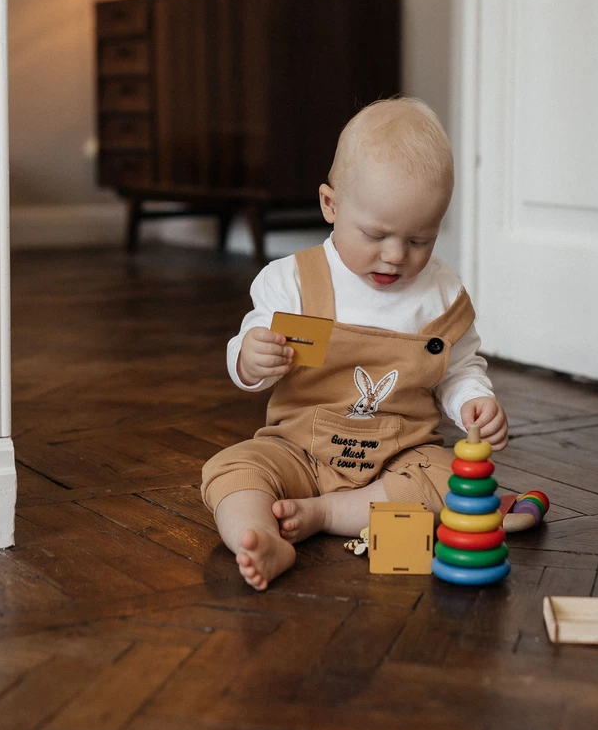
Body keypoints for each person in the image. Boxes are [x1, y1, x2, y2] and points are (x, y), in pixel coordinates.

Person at [201, 97, 508, 590]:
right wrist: (251, 356)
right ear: (331, 205)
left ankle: (324, 514)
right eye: (376, 234)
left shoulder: (442, 294)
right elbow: (247, 352)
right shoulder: (292, 280)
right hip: (298, 449)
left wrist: (475, 400)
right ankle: (258, 537)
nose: (394, 256)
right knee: (232, 470)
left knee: (447, 482)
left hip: (400, 456)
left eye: (420, 240)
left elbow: (461, 366)